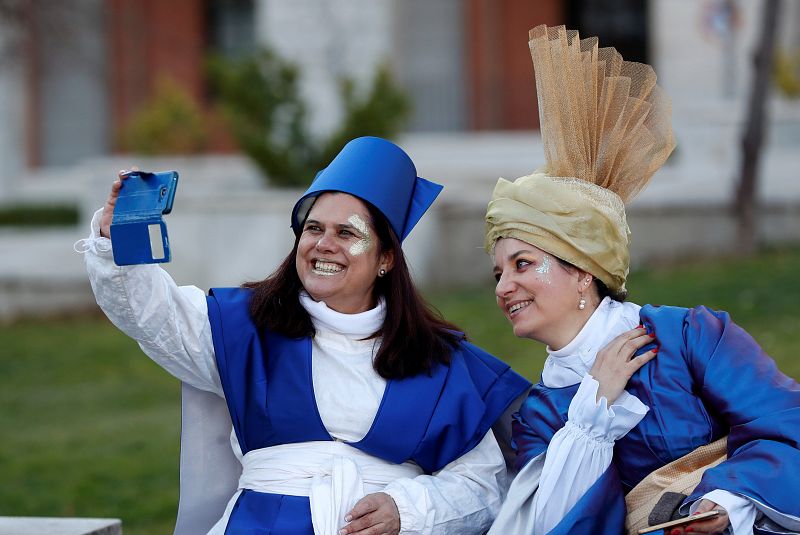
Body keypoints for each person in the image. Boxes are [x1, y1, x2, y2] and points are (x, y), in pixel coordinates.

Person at [79, 136, 530, 535]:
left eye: (347, 233)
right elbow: (151, 313)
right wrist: (119, 236)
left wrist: (406, 509)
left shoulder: (441, 361)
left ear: (386, 258)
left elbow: (484, 483)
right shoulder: (245, 329)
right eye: (313, 229)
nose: (323, 244)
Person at [485, 25, 800, 535]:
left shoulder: (690, 337)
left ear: (583, 270)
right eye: (498, 272)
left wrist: (727, 506)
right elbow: (552, 524)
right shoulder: (542, 413)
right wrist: (593, 409)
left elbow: (786, 425)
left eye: (522, 264)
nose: (502, 287)